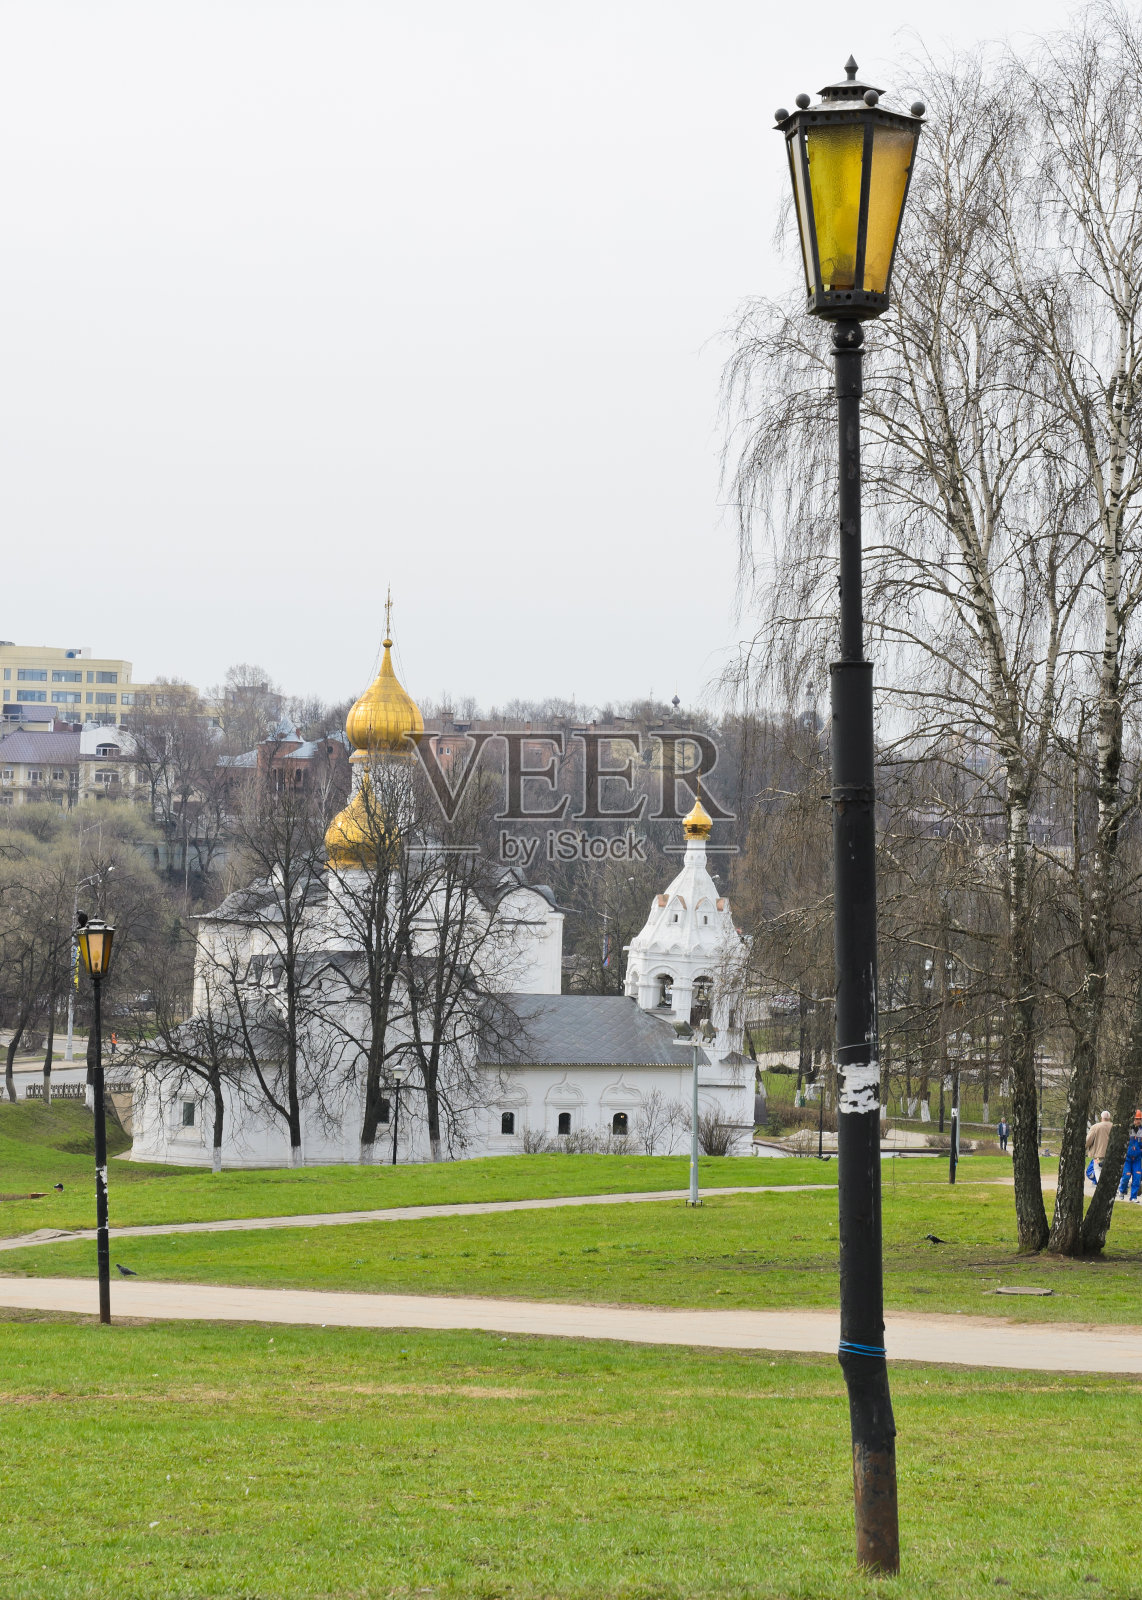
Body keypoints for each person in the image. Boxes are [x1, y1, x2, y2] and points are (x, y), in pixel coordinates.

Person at [1118, 1111, 1142, 1204]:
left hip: (1137, 1159)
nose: (1138, 1120)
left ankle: (1133, 1197)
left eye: (1140, 1119)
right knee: (1126, 1176)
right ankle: (1122, 1190)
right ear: (1133, 1119)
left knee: (1137, 1178)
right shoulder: (1128, 1129)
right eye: (1136, 1119)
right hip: (1127, 1159)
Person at [1086, 1110, 1112, 1185]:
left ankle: (1101, 1186)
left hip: (1098, 1156)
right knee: (1109, 1171)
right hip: (1111, 1155)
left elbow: (1088, 1140)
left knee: (1097, 1170)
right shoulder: (1113, 1127)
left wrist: (1084, 1147)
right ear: (1109, 1118)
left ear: (1101, 1118)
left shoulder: (1095, 1127)